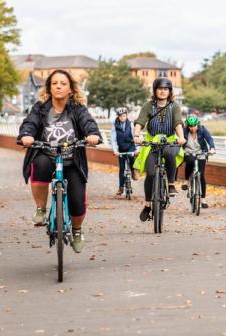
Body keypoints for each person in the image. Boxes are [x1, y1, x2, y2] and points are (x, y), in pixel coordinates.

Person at [17, 69, 101, 253]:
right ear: (49, 88)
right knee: (39, 164)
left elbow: (88, 122)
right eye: (54, 83)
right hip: (47, 154)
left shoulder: (78, 108)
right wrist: (26, 135)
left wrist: (92, 134)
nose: (58, 86)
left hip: (72, 159)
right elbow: (29, 123)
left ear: (70, 89)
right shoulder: (41, 107)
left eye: (63, 83)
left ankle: (77, 231)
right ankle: (41, 209)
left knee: (78, 202)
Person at [133, 77, 186, 221]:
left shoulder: (174, 106)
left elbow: (177, 123)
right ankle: (148, 204)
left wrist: (181, 137)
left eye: (166, 89)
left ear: (169, 91)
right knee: (150, 173)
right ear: (155, 90)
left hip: (169, 141)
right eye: (160, 89)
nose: (163, 91)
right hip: (152, 142)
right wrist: (136, 135)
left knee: (169, 152)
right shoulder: (148, 106)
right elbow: (140, 121)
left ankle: (171, 184)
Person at [181, 114, 215, 208]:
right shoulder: (184, 131)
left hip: (201, 153)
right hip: (188, 152)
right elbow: (179, 139)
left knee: (201, 176)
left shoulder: (202, 130)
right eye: (190, 126)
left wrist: (212, 148)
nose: (193, 128)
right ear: (187, 126)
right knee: (190, 161)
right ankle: (187, 180)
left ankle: (203, 200)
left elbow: (209, 139)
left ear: (198, 124)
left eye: (194, 126)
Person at [110, 107, 138, 196]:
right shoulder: (115, 126)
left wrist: (136, 149)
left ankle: (133, 171)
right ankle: (121, 187)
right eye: (120, 116)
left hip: (130, 146)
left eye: (124, 115)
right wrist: (115, 150)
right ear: (118, 117)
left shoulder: (131, 125)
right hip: (121, 148)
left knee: (131, 156)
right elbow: (113, 140)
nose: (122, 117)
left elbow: (135, 137)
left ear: (126, 116)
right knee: (121, 169)